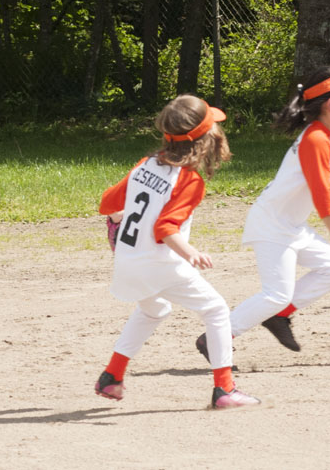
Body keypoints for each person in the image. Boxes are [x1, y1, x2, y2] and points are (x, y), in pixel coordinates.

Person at [94, 95, 261, 410]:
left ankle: (112, 377)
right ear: (205, 137)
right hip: (159, 263)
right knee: (215, 310)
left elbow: (108, 203)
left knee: (154, 310)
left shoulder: (147, 164)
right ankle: (224, 389)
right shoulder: (188, 179)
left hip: (128, 259)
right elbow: (165, 228)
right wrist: (191, 253)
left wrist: (126, 212)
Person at [196, 66, 330, 358]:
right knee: (275, 294)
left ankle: (278, 316)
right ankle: (215, 338)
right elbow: (321, 194)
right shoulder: (315, 139)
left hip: (291, 226)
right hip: (271, 225)